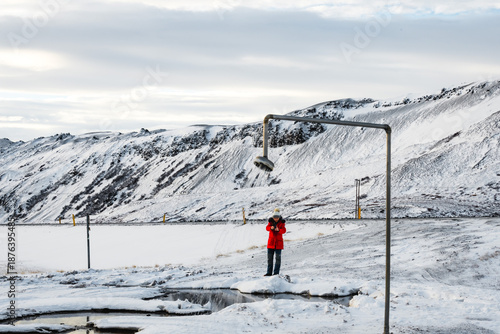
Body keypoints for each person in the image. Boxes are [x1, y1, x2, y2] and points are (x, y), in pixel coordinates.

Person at [264, 208, 286, 276]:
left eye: (277, 217)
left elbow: (284, 230)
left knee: (278, 259)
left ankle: (276, 273)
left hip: (278, 244)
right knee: (269, 259)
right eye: (274, 217)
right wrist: (271, 228)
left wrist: (278, 230)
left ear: (279, 217)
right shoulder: (270, 222)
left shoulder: (282, 222)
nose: (276, 219)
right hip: (271, 243)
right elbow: (267, 228)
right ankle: (269, 272)